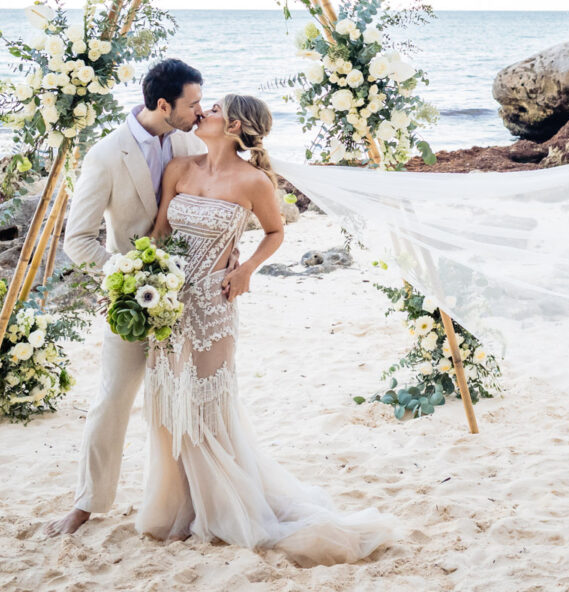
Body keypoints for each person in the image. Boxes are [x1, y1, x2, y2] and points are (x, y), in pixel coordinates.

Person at [135, 93, 394, 562]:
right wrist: (141, 280)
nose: (202, 113)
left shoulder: (253, 181)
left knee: (205, 402)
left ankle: (221, 508)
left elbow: (276, 232)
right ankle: (181, 506)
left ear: (234, 126)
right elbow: (158, 235)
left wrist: (247, 268)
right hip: (168, 304)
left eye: (212, 109)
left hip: (215, 304)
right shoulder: (179, 170)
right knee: (168, 398)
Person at [43, 58, 209, 538]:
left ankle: (194, 500)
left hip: (191, 295)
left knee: (190, 396)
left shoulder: (186, 140)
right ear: (163, 105)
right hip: (131, 300)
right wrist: (126, 281)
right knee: (114, 398)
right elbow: (78, 240)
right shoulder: (105, 154)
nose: (199, 111)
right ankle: (86, 504)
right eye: (192, 103)